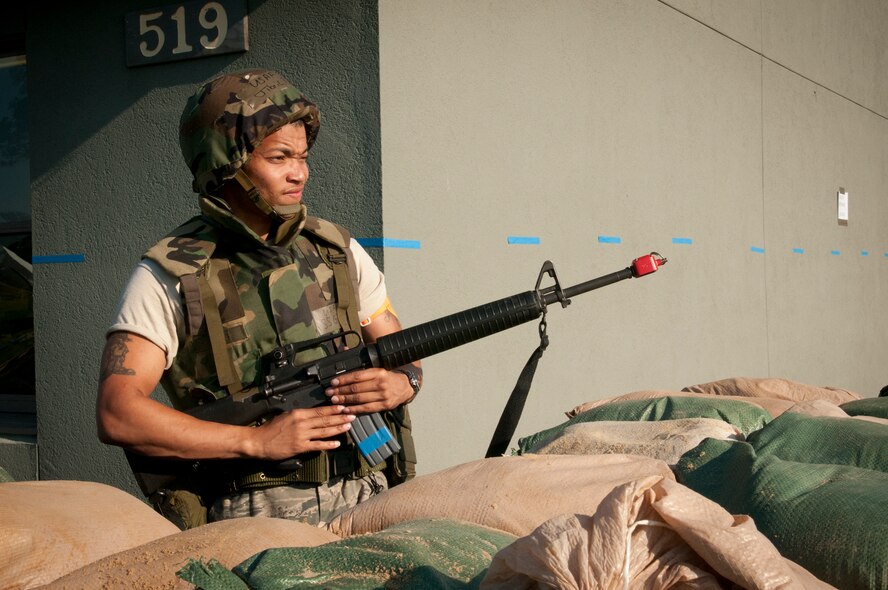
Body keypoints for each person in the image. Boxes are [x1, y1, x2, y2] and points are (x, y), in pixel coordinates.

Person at [96, 69, 421, 529]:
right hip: (254, 518)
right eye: (280, 157)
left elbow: (402, 350)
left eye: (303, 156)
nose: (300, 172)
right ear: (227, 164)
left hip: (368, 493)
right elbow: (117, 412)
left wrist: (404, 382)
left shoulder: (335, 250)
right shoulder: (174, 272)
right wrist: (257, 442)